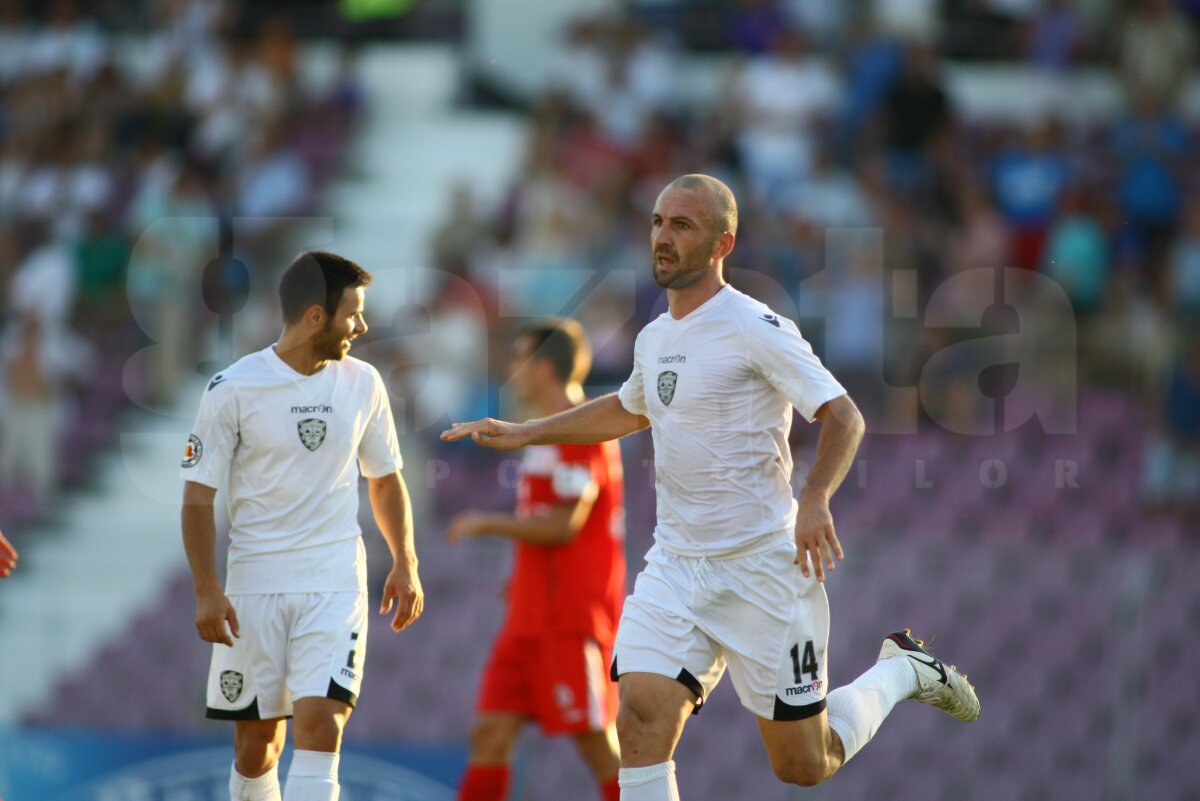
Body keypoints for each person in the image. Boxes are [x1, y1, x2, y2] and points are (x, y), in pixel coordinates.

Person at [443, 174, 979, 800]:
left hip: (762, 566)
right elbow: (628, 408)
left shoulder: (753, 325)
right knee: (640, 715)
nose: (663, 237)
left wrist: (814, 499)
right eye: (658, 222)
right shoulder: (655, 337)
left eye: (682, 225)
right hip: (676, 563)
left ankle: (901, 671)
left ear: (724, 242)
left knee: (804, 764)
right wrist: (527, 432)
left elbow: (844, 416)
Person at [181, 250, 424, 801]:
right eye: (353, 314)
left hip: (334, 581)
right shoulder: (233, 387)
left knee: (320, 727)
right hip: (254, 587)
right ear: (316, 316)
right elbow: (198, 496)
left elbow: (385, 480)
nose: (361, 326)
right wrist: (206, 590)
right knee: (257, 747)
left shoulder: (363, 383)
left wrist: (405, 561)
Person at [446, 319, 626, 801]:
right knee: (489, 736)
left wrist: (486, 523)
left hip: (567, 618)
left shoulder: (582, 429)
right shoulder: (540, 435)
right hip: (527, 617)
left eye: (519, 359)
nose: (512, 370)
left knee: (597, 744)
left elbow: (563, 525)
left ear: (544, 368)